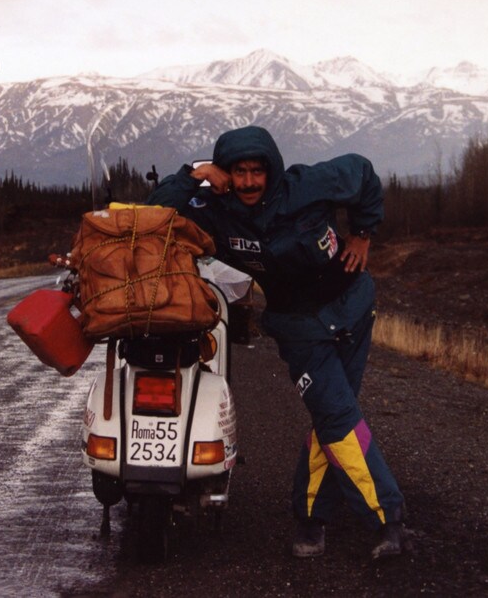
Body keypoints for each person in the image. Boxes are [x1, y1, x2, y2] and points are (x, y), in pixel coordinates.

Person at [146, 125, 406, 561]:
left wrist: (363, 232)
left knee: (334, 415)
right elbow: (153, 213)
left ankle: (311, 518)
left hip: (353, 309)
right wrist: (196, 174)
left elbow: (362, 172)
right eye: (238, 171)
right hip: (298, 328)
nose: (249, 182)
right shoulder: (214, 211)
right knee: (337, 415)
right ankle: (388, 518)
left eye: (257, 171)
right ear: (226, 173)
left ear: (272, 170)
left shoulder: (308, 185)